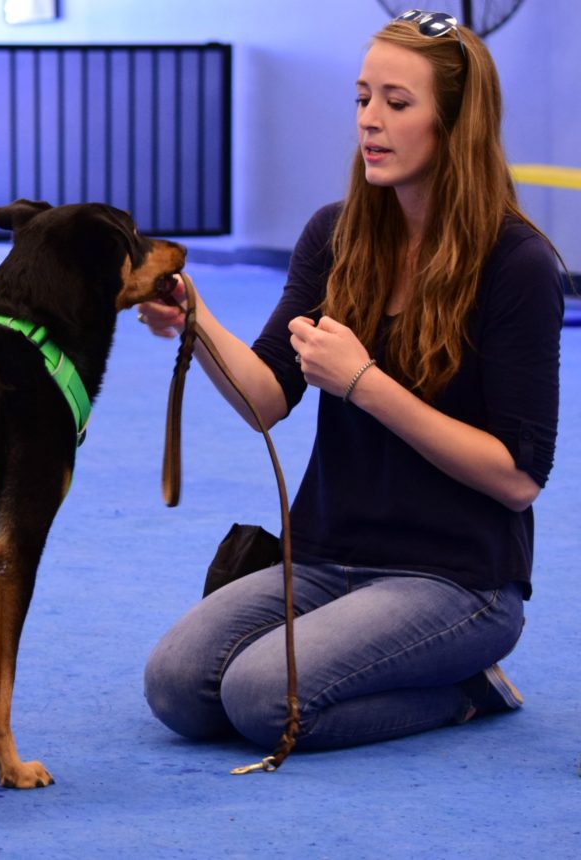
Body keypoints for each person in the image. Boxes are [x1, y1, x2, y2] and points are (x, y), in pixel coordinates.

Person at [137, 10, 564, 751]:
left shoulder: (518, 265)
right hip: (330, 554)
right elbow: (266, 397)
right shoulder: (334, 235)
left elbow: (519, 479)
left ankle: (465, 691)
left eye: (398, 103)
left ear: (456, 123)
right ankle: (417, 675)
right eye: (363, 98)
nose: (371, 120)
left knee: (261, 698)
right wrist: (196, 317)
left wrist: (365, 382)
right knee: (176, 686)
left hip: (458, 580)